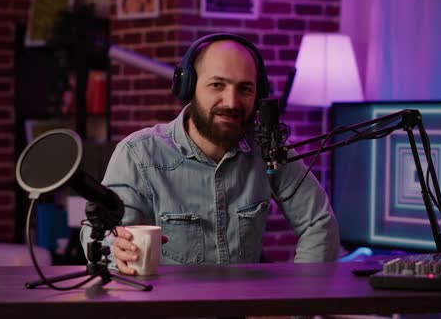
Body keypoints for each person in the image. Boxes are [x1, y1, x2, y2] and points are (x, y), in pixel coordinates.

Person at [80, 33, 340, 275]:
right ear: (188, 87)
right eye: (217, 85)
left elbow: (319, 223)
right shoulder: (139, 154)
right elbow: (102, 231)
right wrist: (114, 249)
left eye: (245, 89)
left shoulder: (268, 150)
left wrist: (297, 306)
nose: (231, 102)